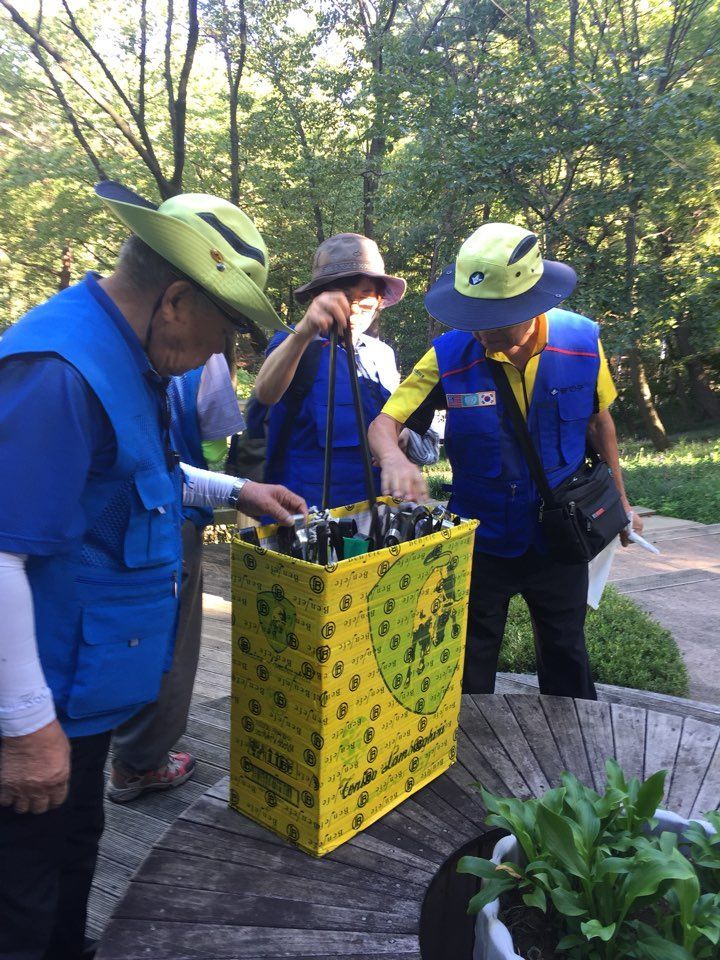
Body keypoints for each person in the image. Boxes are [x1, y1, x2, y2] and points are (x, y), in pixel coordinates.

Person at [0, 180, 306, 960]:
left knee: (74, 852)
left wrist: (238, 488)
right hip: (42, 708)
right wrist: (27, 731)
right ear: (175, 300)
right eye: (226, 327)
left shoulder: (129, 355)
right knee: (20, 895)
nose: (223, 354)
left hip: (85, 695)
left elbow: (138, 471)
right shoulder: (60, 369)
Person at [369, 222, 643, 699]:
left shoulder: (581, 342)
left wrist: (620, 503)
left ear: (535, 303)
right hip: (483, 537)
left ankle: (570, 756)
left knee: (566, 652)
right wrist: (393, 457)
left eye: (495, 321)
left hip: (560, 534)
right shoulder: (449, 356)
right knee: (471, 656)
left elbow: (600, 425)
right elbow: (383, 424)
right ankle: (467, 756)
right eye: (474, 318)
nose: (482, 333)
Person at [108, 351, 244, 803]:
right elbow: (211, 445)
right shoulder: (202, 356)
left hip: (113, 522)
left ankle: (121, 750)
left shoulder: (101, 350)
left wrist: (240, 491)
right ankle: (140, 763)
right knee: (172, 638)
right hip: (166, 519)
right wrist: (225, 487)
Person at [253, 232, 410, 508]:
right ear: (317, 297)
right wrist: (305, 329)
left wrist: (401, 433)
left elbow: (392, 417)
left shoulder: (382, 355)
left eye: (365, 297)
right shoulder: (294, 342)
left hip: (374, 509)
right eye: (343, 297)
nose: (353, 308)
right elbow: (266, 393)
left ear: (379, 301)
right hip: (305, 513)